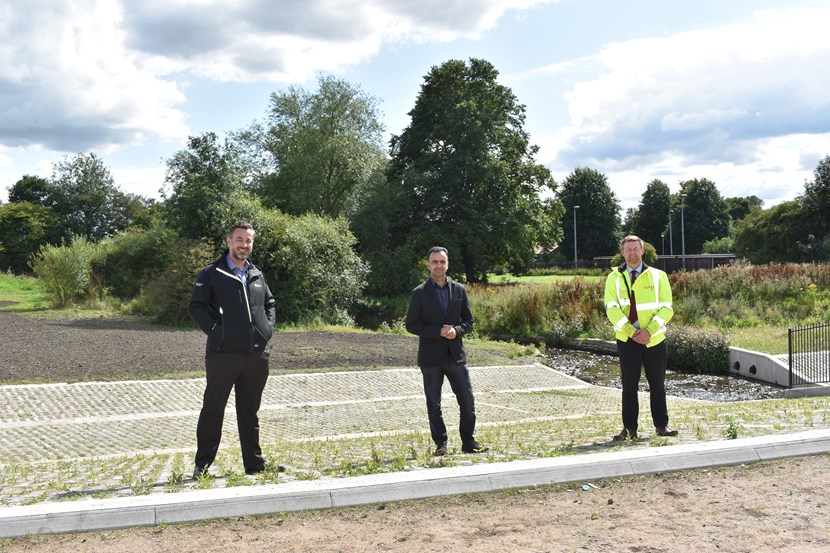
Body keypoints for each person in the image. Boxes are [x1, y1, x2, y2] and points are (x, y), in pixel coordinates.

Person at [189, 220, 278, 478]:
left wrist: (267, 330)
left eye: (248, 240)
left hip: (255, 355)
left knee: (249, 412)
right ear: (229, 241)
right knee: (213, 409)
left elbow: (270, 303)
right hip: (223, 355)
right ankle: (202, 465)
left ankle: (255, 465)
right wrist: (220, 333)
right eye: (239, 239)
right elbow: (196, 307)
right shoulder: (211, 273)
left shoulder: (256, 274)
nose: (244, 245)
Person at [405, 246, 488, 456]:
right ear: (428, 264)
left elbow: (469, 321)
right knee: (434, 404)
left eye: (442, 262)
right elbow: (411, 325)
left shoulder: (459, 290)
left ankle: (468, 442)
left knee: (467, 402)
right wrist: (438, 331)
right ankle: (441, 444)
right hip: (430, 358)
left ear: (448, 264)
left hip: (455, 356)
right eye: (435, 262)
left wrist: (457, 330)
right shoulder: (419, 293)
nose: (439, 265)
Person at [604, 235, 677, 440]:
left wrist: (649, 331)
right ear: (622, 253)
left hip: (654, 339)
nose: (632, 253)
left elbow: (666, 308)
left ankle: (662, 426)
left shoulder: (659, 276)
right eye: (628, 250)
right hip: (628, 341)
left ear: (642, 251)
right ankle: (630, 429)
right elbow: (612, 309)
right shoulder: (613, 278)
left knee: (658, 385)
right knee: (629, 386)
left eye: (636, 249)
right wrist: (632, 332)